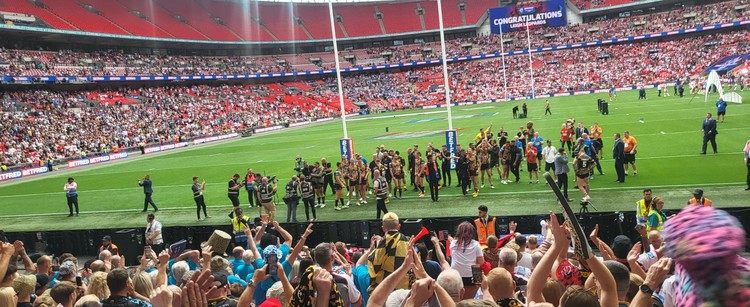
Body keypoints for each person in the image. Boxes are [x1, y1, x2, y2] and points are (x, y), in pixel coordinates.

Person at [367, 212, 410, 291]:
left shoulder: (384, 242)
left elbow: (374, 266)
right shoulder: (408, 241)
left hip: (386, 287)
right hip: (404, 287)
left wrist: (374, 249)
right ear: (399, 226)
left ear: (383, 228)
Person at [450, 222, 484, 299]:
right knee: (478, 270)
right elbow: (481, 261)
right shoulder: (476, 244)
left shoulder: (453, 243)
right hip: (470, 276)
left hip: (456, 276)